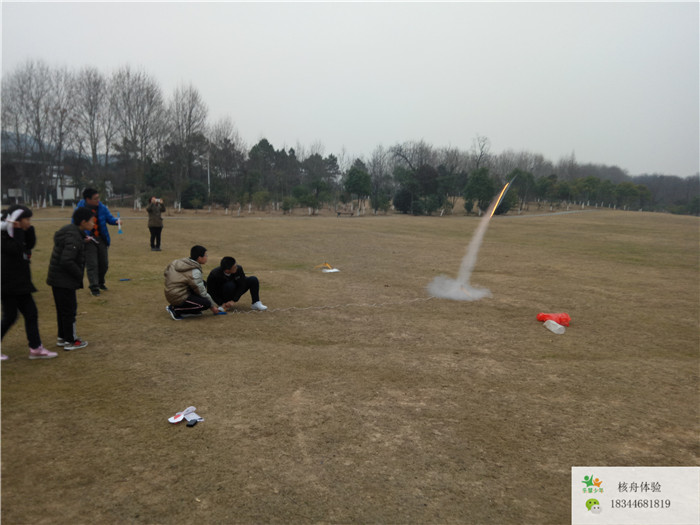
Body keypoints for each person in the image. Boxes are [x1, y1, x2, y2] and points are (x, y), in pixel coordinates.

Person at [1, 205, 57, 361]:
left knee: (30, 313)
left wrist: (28, 229)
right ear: (16, 221)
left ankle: (36, 348)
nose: (29, 222)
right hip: (8, 284)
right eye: (27, 219)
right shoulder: (3, 236)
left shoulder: (19, 233)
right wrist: (18, 230)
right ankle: (36, 347)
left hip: (21, 283)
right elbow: (16, 249)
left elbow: (30, 245)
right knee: (10, 316)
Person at [46, 207, 94, 351]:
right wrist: (79, 273)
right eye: (91, 221)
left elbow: (69, 249)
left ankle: (62, 337)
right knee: (69, 310)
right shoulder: (74, 237)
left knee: (62, 310)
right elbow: (67, 260)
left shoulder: (71, 232)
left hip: (57, 279)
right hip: (64, 280)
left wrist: (82, 241)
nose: (93, 224)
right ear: (83, 222)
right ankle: (71, 340)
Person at [75, 188, 120, 296]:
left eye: (98, 198)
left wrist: (116, 221)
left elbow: (110, 219)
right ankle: (94, 287)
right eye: (95, 199)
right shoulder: (80, 209)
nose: (98, 200)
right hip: (88, 239)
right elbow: (75, 225)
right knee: (92, 264)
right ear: (88, 199)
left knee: (104, 264)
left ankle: (100, 282)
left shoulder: (102, 207)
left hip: (101, 239)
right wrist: (82, 237)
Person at [164, 245, 222, 320]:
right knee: (206, 304)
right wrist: (213, 306)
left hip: (170, 292)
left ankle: (192, 309)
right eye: (205, 255)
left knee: (203, 283)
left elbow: (166, 273)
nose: (207, 257)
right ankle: (175, 309)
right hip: (178, 296)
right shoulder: (195, 271)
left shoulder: (177, 262)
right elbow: (202, 292)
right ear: (199, 258)